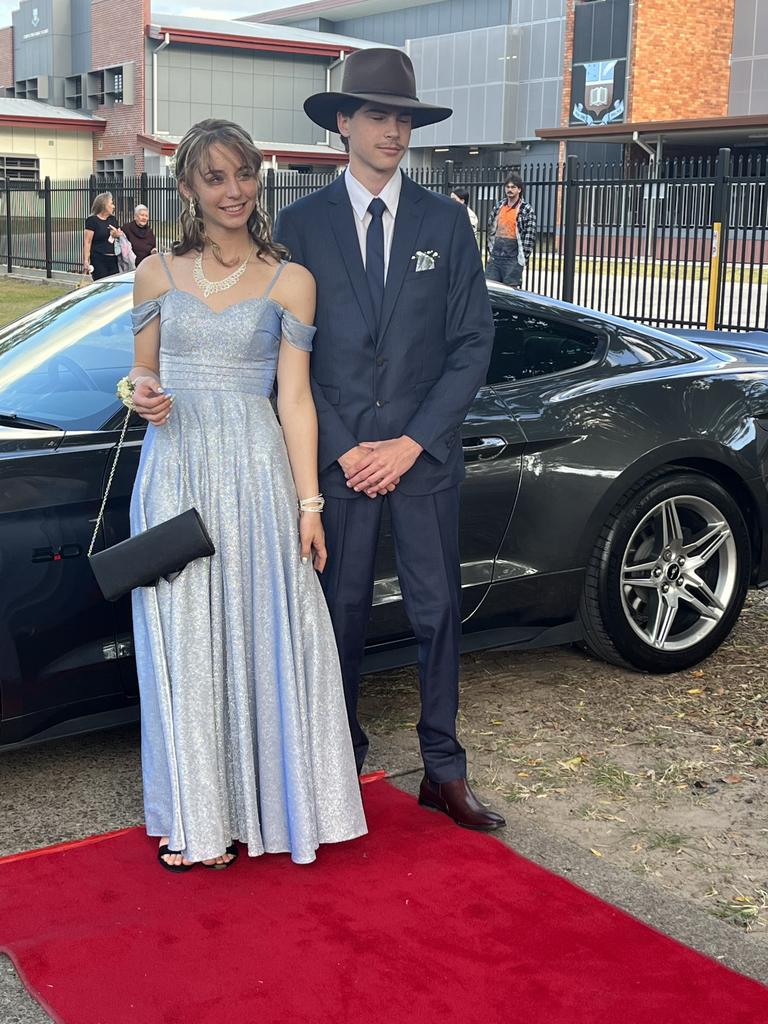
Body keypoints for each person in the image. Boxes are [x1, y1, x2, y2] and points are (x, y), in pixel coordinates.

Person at [275, 48, 505, 832]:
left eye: (404, 118)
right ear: (343, 123)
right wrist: (342, 447)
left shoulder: (447, 221)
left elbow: (473, 343)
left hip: (423, 460)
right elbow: (289, 353)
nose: (394, 131)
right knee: (337, 618)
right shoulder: (299, 226)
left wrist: (410, 443)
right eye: (378, 115)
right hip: (338, 465)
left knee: (438, 615)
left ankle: (442, 769)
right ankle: (337, 761)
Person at [127, 119, 366, 872]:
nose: (233, 192)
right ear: (190, 188)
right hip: (175, 472)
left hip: (258, 478)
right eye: (216, 178)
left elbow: (295, 401)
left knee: (262, 633)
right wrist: (144, 396)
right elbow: (139, 377)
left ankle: (269, 806)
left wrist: (310, 504)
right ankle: (198, 819)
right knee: (185, 639)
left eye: (244, 175)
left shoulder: (292, 279)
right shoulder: (156, 273)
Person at [485, 173, 537, 289]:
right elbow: (490, 230)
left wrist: (522, 261)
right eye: (507, 187)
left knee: (511, 293)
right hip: (495, 258)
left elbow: (530, 236)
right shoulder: (499, 206)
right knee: (490, 290)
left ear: (519, 189)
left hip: (513, 260)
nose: (510, 189)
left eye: (513, 187)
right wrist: (491, 252)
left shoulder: (526, 209)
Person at [83, 192, 123, 280]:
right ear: (104, 205)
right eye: (111, 203)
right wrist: (86, 260)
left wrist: (116, 235)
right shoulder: (92, 220)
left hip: (113, 259)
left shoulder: (112, 220)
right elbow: (87, 242)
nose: (114, 206)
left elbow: (117, 237)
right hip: (98, 259)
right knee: (102, 284)